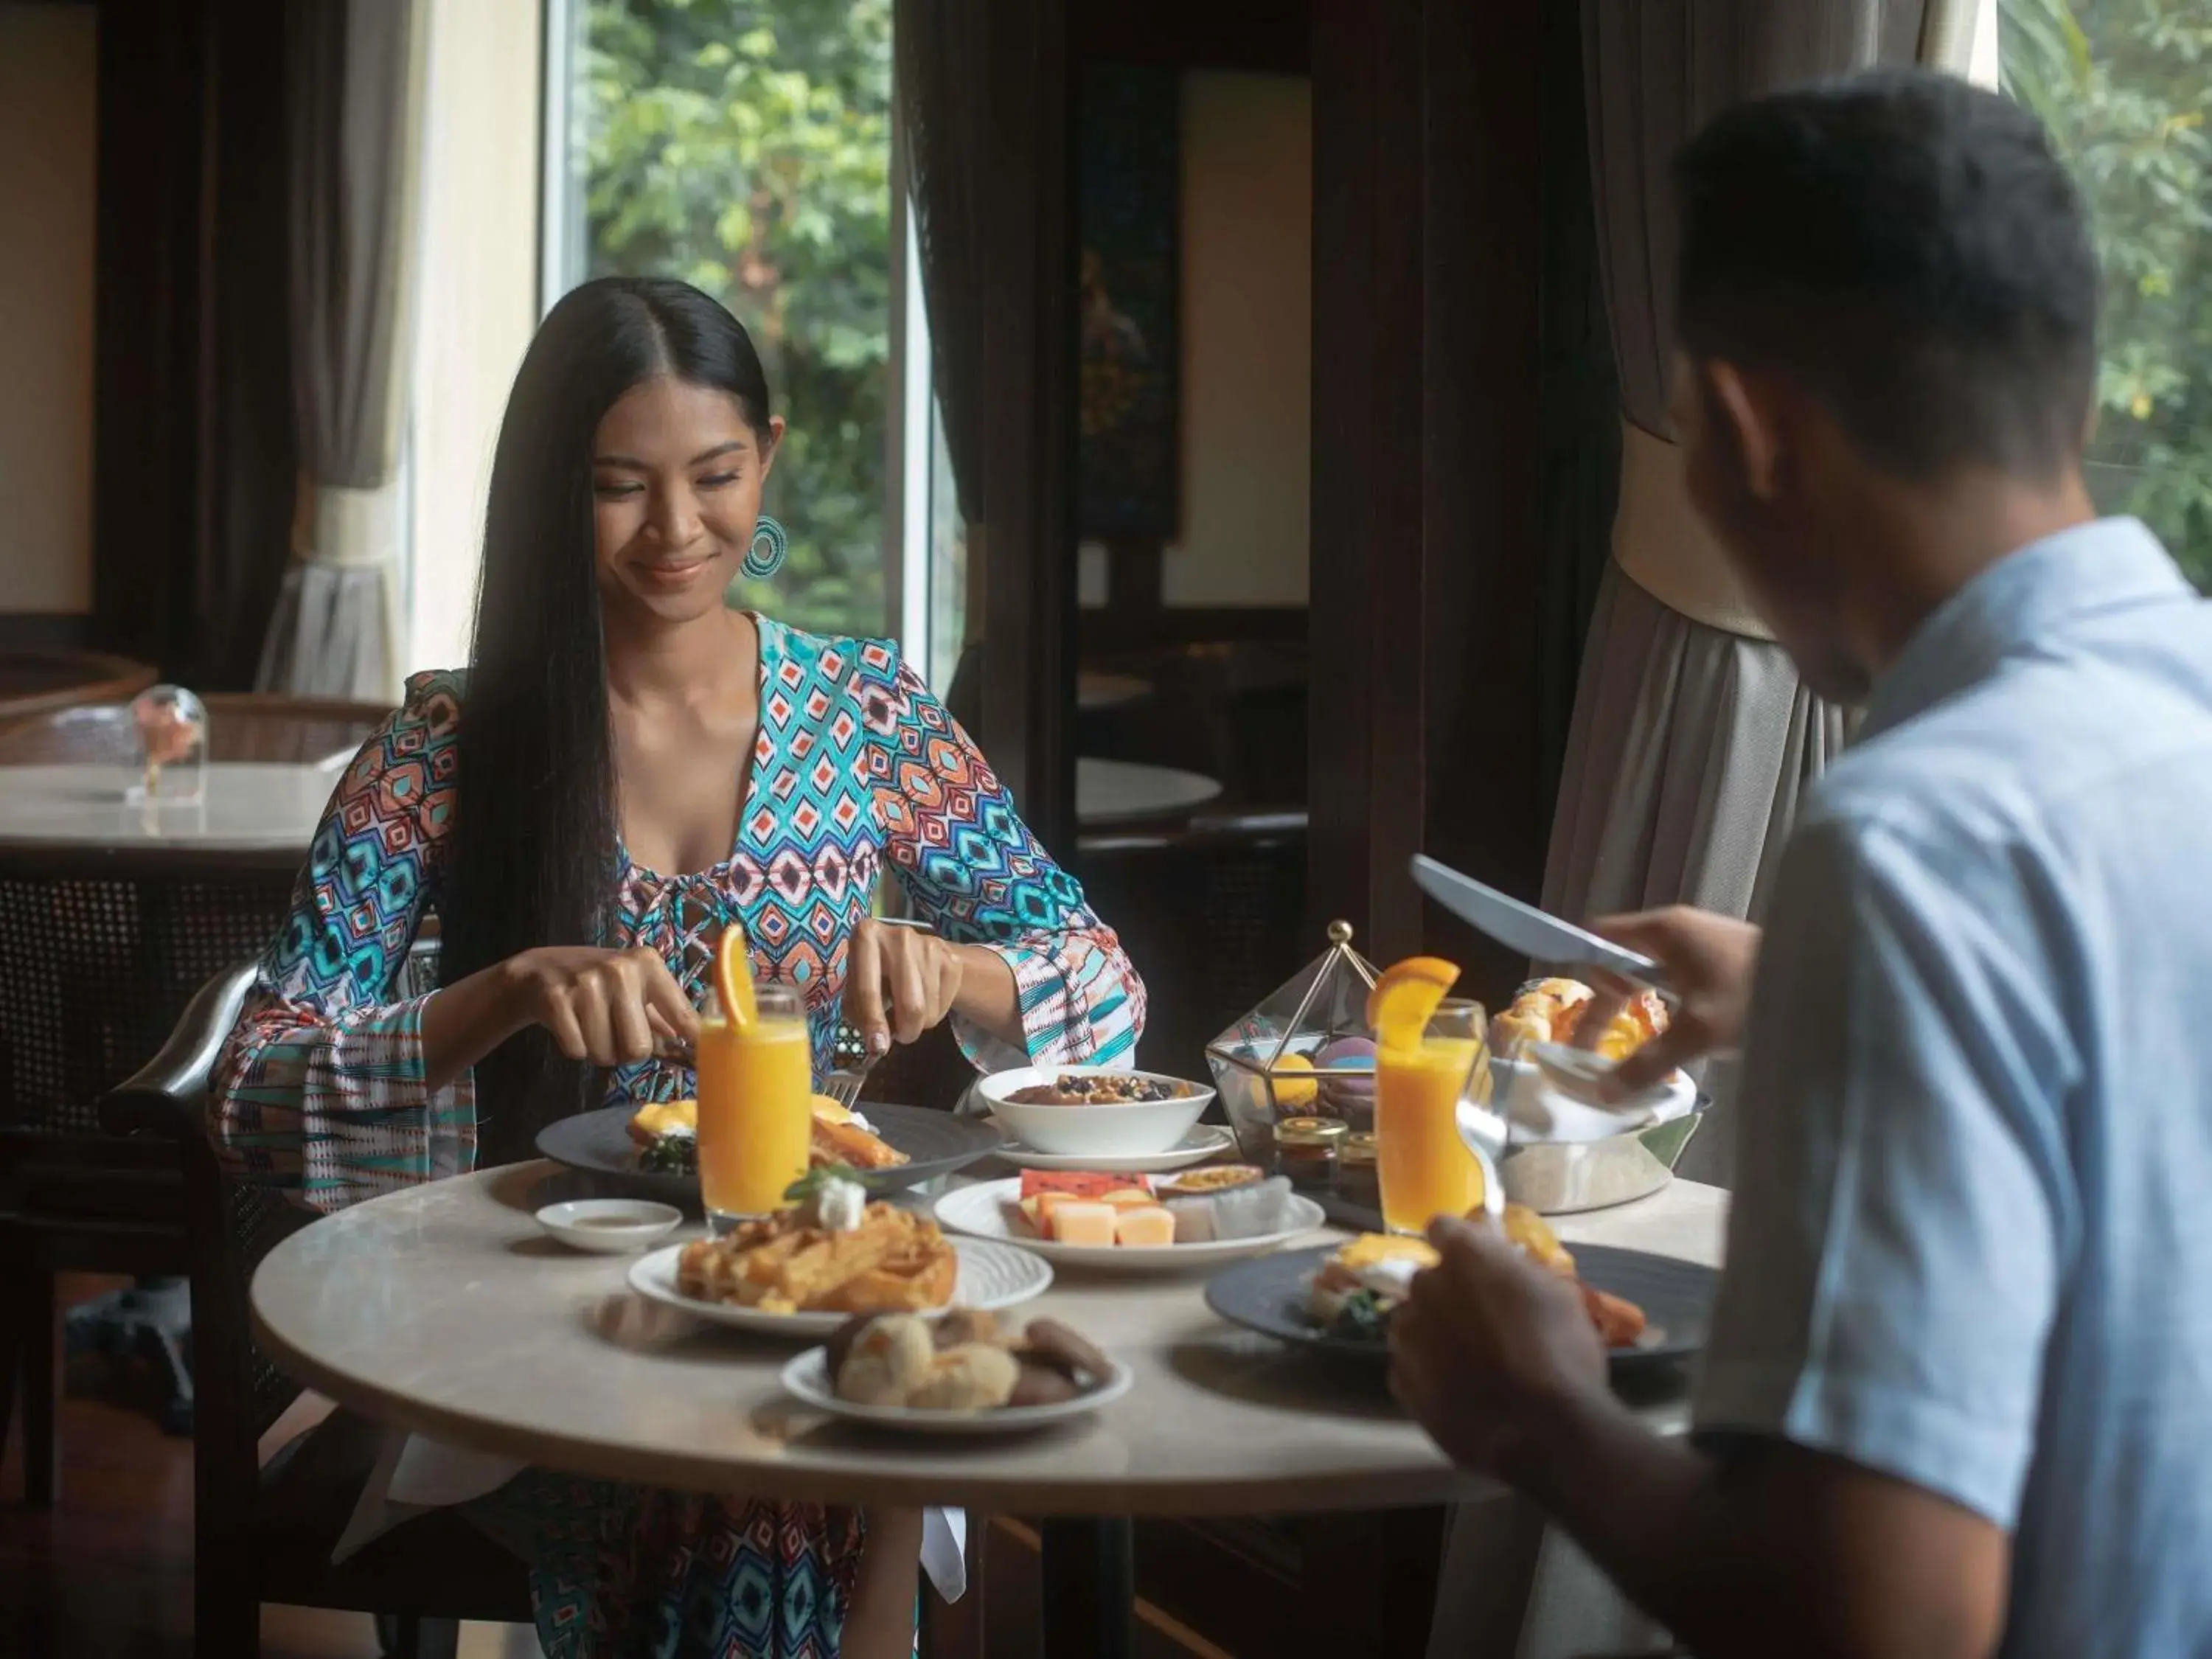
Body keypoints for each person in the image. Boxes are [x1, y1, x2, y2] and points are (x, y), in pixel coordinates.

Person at [1392, 69, 2212, 1659]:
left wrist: (1539, 1415)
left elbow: (1885, 1621)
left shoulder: (1919, 844)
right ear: (2078, 394)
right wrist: (1804, 984)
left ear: (1753, 431)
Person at [210, 276, 1146, 1658]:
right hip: (540, 1289)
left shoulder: (870, 713)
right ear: (551, 489)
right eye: (617, 485)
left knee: (820, 1412)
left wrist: (959, 970)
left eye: (715, 476)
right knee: (742, 1460)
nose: (678, 530)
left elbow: (1104, 978)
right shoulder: (448, 746)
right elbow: (259, 1082)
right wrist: (503, 992)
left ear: (766, 454)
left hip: (822, 1266)